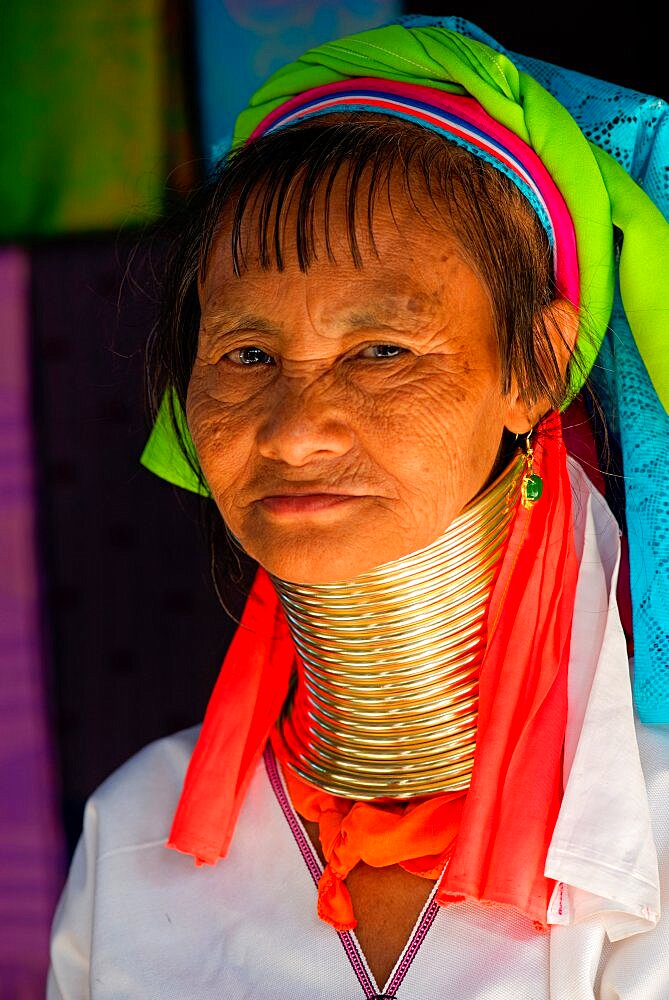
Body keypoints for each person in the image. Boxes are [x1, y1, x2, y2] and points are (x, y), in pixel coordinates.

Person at [47, 14, 669, 999]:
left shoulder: (658, 833)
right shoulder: (131, 833)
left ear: (535, 365)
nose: (296, 432)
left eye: (380, 352)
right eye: (246, 357)